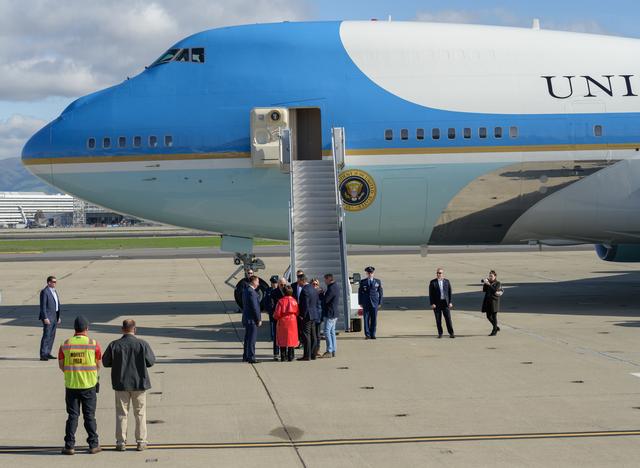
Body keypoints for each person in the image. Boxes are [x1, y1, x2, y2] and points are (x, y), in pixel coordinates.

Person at [102, 319, 156, 452]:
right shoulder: (142, 344)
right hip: (139, 384)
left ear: (122, 329)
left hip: (121, 385)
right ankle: (141, 441)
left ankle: (121, 441)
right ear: (135, 329)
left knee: (121, 413)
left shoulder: (114, 345)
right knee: (140, 413)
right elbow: (151, 361)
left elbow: (105, 362)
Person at [58, 316, 102, 455]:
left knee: (72, 416)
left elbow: (61, 365)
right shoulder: (93, 343)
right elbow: (98, 364)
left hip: (71, 386)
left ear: (74, 329)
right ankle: (93, 445)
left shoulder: (65, 344)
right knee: (89, 416)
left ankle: (69, 446)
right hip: (89, 386)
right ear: (87, 328)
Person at [273, 285, 299, 361]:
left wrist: (275, 317)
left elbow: (277, 314)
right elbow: (297, 312)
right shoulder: (294, 301)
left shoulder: (281, 301)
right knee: (291, 339)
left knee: (282, 339)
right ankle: (291, 356)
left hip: (283, 320)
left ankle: (283, 357)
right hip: (292, 321)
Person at [298, 275, 320, 360]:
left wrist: (302, 315)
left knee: (306, 335)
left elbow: (305, 305)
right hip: (314, 315)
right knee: (313, 335)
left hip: (307, 316)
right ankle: (313, 354)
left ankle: (307, 355)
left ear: (302, 280)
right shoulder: (313, 288)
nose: (298, 282)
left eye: (298, 281)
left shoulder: (305, 290)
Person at [39, 275, 61, 361]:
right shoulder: (45, 292)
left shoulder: (54, 291)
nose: (55, 283)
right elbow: (43, 306)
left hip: (54, 317)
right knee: (46, 335)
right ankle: (43, 354)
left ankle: (48, 352)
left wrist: (58, 316)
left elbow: (57, 304)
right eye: (54, 282)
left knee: (52, 336)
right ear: (49, 282)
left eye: (56, 282)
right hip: (48, 317)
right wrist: (45, 317)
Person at [429, 268, 455, 338]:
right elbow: (431, 294)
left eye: (440, 273)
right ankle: (440, 333)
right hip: (437, 303)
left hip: (445, 303)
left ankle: (451, 333)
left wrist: (450, 302)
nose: (438, 274)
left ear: (443, 274)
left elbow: (450, 292)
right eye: (437, 273)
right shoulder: (433, 282)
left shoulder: (447, 281)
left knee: (448, 319)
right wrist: (432, 303)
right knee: (438, 319)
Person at [358, 266, 383, 339]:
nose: (370, 274)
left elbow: (380, 292)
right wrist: (360, 302)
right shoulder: (363, 282)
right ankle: (367, 335)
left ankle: (373, 334)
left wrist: (380, 302)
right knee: (366, 319)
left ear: (373, 273)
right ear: (366, 273)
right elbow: (360, 293)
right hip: (366, 303)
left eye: (371, 273)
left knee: (374, 319)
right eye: (368, 273)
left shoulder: (377, 281)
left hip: (375, 303)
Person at [242, 275, 262, 363]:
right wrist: (258, 319)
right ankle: (251, 357)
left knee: (247, 338)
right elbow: (255, 307)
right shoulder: (251, 292)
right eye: (257, 281)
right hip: (252, 319)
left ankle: (246, 356)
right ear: (253, 282)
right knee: (252, 339)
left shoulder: (246, 290)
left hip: (247, 318)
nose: (258, 284)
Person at [262, 275, 281, 361]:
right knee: (273, 331)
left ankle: (282, 350)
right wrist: (267, 310)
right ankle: (276, 351)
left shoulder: (281, 291)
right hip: (272, 313)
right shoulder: (268, 290)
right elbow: (265, 301)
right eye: (272, 283)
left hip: (280, 315)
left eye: (275, 282)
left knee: (281, 333)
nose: (274, 284)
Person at [322, 273, 338, 358]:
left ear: (329, 279)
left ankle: (329, 350)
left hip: (330, 314)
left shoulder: (331, 288)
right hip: (334, 313)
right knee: (332, 332)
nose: (324, 281)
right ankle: (333, 349)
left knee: (327, 331)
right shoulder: (335, 286)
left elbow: (326, 300)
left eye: (325, 279)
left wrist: (321, 294)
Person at [482, 270, 503, 336]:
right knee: (488, 316)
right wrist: (485, 283)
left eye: (491, 276)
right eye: (489, 276)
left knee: (494, 317)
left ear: (495, 276)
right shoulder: (489, 282)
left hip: (494, 302)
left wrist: (489, 284)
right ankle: (496, 327)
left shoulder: (498, 283)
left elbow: (495, 290)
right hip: (488, 302)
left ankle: (494, 331)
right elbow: (484, 290)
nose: (490, 277)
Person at [311, 278, 323, 357]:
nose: (315, 286)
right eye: (313, 284)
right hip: (311, 316)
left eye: (316, 284)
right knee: (312, 335)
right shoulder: (310, 292)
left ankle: (317, 350)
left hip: (318, 316)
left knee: (317, 334)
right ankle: (312, 350)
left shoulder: (321, 293)